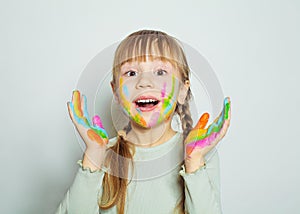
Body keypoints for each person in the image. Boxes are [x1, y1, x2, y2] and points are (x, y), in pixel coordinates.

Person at [55, 30, 231, 214]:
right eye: (131, 73)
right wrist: (94, 154)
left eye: (160, 71)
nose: (144, 82)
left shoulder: (200, 154)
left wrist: (193, 162)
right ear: (116, 92)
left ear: (182, 91)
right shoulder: (103, 155)